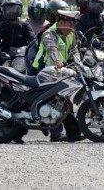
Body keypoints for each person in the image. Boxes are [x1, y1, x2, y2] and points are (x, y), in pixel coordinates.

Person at [32, 10, 86, 142]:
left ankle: (73, 134)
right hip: (41, 70)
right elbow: (52, 50)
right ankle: (57, 133)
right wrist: (57, 61)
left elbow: (75, 52)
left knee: (65, 98)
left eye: (73, 25)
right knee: (56, 100)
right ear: (60, 22)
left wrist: (80, 65)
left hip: (58, 72)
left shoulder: (71, 34)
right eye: (69, 24)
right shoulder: (49, 34)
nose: (72, 28)